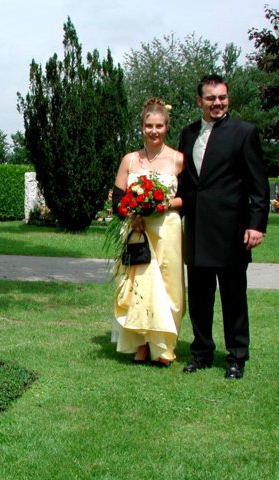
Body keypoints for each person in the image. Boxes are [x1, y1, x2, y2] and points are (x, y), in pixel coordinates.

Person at [178, 74, 269, 379]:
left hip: (231, 231)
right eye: (211, 98)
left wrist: (256, 225)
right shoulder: (187, 134)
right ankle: (202, 353)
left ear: (228, 99)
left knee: (233, 298)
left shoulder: (245, 133)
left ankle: (236, 357)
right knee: (200, 298)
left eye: (222, 98)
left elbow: (259, 185)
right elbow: (185, 184)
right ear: (199, 101)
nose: (218, 103)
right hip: (197, 230)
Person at [111, 98, 185, 367]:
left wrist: (163, 204)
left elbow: (187, 198)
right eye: (148, 125)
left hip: (167, 230)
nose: (153, 131)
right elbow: (117, 199)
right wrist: (133, 214)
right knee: (140, 286)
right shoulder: (130, 160)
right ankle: (142, 344)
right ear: (141, 127)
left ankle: (164, 347)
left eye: (159, 126)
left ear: (166, 127)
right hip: (137, 230)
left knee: (168, 287)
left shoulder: (178, 159)